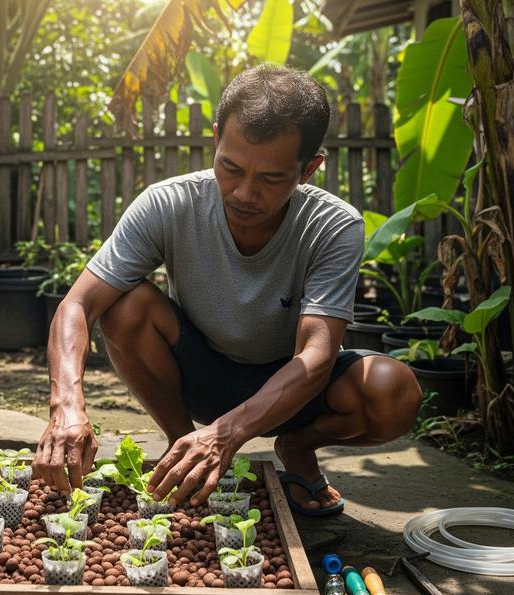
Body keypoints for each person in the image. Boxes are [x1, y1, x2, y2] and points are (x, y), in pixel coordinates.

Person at [33, 64, 422, 516]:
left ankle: (297, 447)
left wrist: (225, 434)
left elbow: (316, 357)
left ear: (309, 169)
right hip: (202, 374)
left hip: (291, 390)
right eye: (230, 167)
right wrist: (67, 405)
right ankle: (184, 448)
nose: (243, 193)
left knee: (393, 392)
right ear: (217, 138)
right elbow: (77, 304)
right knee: (124, 306)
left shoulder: (332, 226)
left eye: (271, 179)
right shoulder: (168, 203)